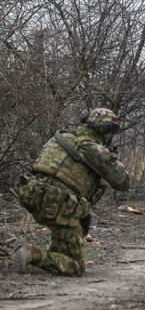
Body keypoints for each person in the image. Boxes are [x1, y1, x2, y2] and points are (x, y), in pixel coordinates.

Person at [10, 107, 130, 276]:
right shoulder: (93, 148)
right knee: (75, 266)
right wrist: (112, 157)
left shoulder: (61, 137)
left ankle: (32, 256)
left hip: (33, 196)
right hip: (58, 206)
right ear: (105, 131)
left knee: (63, 234)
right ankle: (30, 253)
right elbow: (123, 182)